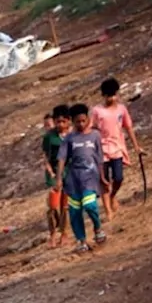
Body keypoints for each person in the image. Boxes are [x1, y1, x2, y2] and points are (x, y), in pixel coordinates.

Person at [54, 104, 106, 252]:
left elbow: (100, 158)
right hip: (73, 180)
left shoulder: (95, 135)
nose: (81, 124)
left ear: (88, 119)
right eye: (78, 122)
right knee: (75, 212)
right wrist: (58, 179)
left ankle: (97, 228)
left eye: (84, 121)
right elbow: (62, 159)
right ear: (72, 121)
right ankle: (81, 240)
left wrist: (103, 178)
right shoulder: (69, 139)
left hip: (90, 177)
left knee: (90, 206)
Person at [91, 77, 143, 220]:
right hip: (101, 149)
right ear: (103, 96)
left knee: (118, 177)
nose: (111, 98)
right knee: (104, 180)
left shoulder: (121, 109)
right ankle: (108, 210)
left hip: (117, 148)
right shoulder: (97, 111)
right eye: (108, 95)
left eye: (113, 95)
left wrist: (136, 146)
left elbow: (128, 127)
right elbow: (92, 128)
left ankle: (113, 195)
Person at [41, 105, 71, 248]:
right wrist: (52, 174)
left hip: (69, 173)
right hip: (54, 172)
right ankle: (52, 234)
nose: (60, 125)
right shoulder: (49, 137)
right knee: (53, 205)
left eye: (63, 122)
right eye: (57, 122)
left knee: (65, 205)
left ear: (68, 121)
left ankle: (64, 233)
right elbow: (46, 157)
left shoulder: (73, 135)